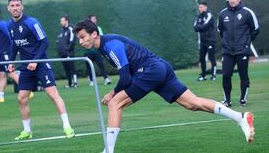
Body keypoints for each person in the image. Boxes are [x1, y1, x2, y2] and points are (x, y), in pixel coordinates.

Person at [73, 19, 255, 153]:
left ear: (94, 34)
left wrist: (113, 92)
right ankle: (240, 117)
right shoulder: (104, 46)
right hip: (160, 68)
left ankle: (108, 151)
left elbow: (125, 77)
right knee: (192, 103)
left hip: (151, 70)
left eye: (82, 37)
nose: (81, 42)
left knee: (115, 103)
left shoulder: (110, 45)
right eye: (79, 39)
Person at [6, 0, 75, 140]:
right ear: (8, 8)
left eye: (18, 5)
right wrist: (11, 61)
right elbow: (14, 44)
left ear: (22, 7)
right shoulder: (9, 26)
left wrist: (35, 61)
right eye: (12, 6)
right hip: (25, 67)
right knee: (21, 98)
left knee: (53, 94)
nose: (15, 8)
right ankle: (27, 131)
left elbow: (44, 42)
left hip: (41, 64)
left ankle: (67, 126)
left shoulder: (32, 22)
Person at [217, 0, 259, 107]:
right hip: (227, 51)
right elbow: (220, 30)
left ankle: (242, 99)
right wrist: (227, 42)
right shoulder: (222, 14)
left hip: (242, 50)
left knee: (243, 75)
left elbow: (255, 29)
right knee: (226, 75)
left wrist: (246, 42)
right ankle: (227, 100)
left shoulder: (247, 12)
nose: (232, 0)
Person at [0, 7, 31, 103]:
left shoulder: (3, 24)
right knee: (1, 75)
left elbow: (11, 38)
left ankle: (28, 90)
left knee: (11, 73)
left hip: (6, 54)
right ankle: (0, 97)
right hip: (0, 55)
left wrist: (15, 50)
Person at [85, 14, 112, 86]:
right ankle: (91, 81)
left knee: (101, 66)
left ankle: (106, 79)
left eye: (95, 19)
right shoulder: (85, 30)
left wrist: (102, 51)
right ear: (89, 20)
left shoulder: (98, 28)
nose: (95, 20)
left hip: (97, 51)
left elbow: (101, 39)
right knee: (89, 67)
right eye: (93, 19)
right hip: (88, 52)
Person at [193, 2, 217, 81]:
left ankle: (213, 75)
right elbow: (195, 27)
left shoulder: (209, 15)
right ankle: (203, 75)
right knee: (202, 58)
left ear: (206, 7)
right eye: (199, 7)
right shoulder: (198, 17)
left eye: (201, 7)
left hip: (210, 40)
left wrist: (200, 27)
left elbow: (205, 26)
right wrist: (200, 27)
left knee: (211, 58)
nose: (200, 9)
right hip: (202, 42)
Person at [56, 15, 78, 88]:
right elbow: (59, 42)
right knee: (66, 69)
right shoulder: (61, 31)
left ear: (66, 21)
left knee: (72, 68)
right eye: (60, 21)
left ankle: (75, 82)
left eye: (62, 21)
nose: (61, 22)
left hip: (69, 53)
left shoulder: (71, 29)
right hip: (62, 54)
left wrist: (67, 49)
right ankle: (69, 83)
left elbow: (73, 41)